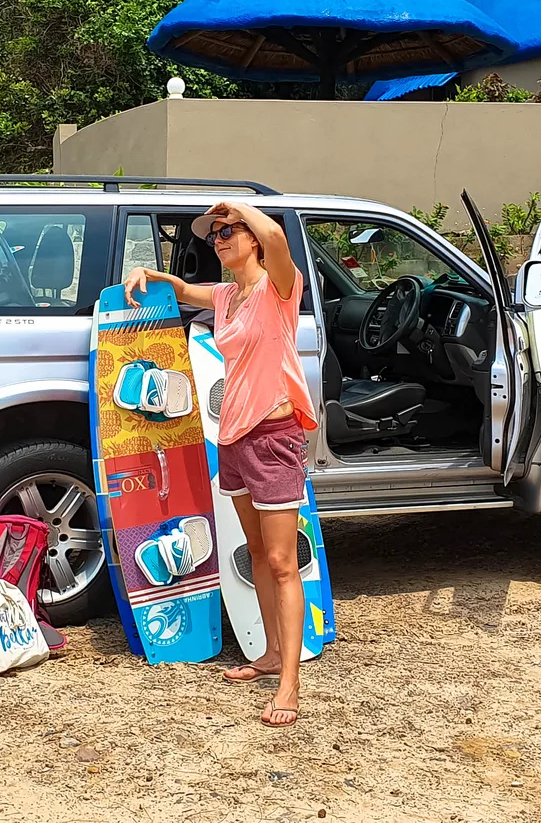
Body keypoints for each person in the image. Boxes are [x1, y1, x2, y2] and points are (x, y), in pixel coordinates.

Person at [122, 201, 318, 728]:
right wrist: (147, 272)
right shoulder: (229, 296)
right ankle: (273, 652)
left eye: (229, 231)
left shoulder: (280, 288)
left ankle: (290, 684)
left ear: (251, 238)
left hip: (274, 435)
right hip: (232, 436)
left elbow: (277, 235)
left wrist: (243, 207)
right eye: (216, 235)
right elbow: (185, 291)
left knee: (281, 561)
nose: (220, 239)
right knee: (255, 550)